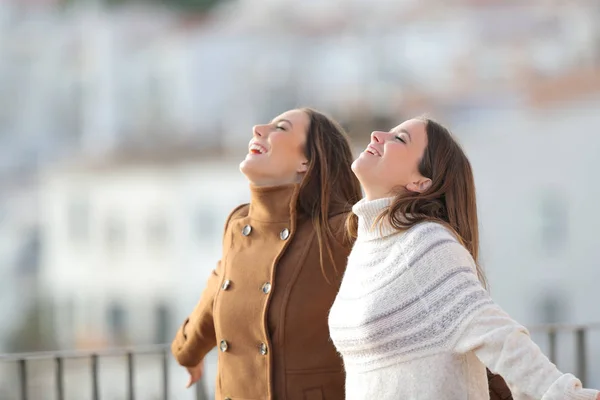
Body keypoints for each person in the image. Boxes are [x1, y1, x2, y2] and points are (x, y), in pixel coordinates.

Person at [328, 117, 600, 400]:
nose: (376, 135)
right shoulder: (366, 246)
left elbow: (498, 336)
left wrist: (566, 394)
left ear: (420, 182)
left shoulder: (426, 244)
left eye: (399, 139)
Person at [171, 108, 362, 399]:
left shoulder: (344, 230)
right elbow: (216, 297)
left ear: (305, 162)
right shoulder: (239, 225)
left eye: (280, 128)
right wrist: (187, 352)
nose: (258, 129)